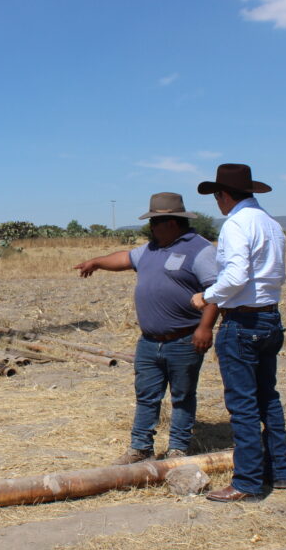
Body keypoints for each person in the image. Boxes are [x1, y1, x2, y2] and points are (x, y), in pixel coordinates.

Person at [75, 192, 219, 464]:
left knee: (182, 396)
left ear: (173, 223)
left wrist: (205, 328)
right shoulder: (152, 248)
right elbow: (124, 258)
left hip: (184, 339)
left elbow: (215, 291)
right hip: (149, 341)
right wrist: (96, 262)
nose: (151, 227)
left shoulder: (200, 250)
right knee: (146, 395)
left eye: (155, 222)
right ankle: (140, 448)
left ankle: (178, 448)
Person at [192, 163, 286, 502]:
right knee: (268, 399)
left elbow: (235, 277)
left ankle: (247, 482)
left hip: (243, 323)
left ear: (224, 195)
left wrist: (207, 297)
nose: (217, 203)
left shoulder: (236, 224)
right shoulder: (270, 224)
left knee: (243, 405)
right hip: (270, 319)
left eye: (217, 196)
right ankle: (279, 472)